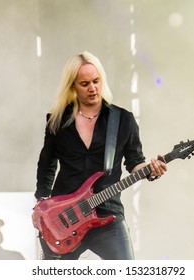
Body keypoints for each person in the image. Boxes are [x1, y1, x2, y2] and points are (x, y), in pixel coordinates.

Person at [34, 51, 167, 260]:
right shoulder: (57, 121)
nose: (93, 88)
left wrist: (152, 171)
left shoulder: (123, 120)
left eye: (96, 81)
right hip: (65, 219)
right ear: (73, 87)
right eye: (84, 83)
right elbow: (47, 164)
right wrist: (43, 203)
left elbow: (135, 162)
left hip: (107, 214)